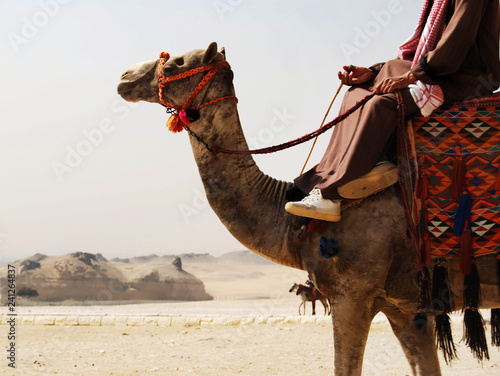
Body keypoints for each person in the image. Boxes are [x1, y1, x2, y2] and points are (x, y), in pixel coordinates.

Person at [285, 0, 500, 222]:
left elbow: (457, 41)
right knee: (356, 92)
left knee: (384, 104)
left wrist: (410, 77)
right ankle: (332, 176)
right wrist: (373, 72)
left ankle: (330, 196)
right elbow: (422, 49)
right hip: (441, 66)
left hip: (467, 75)